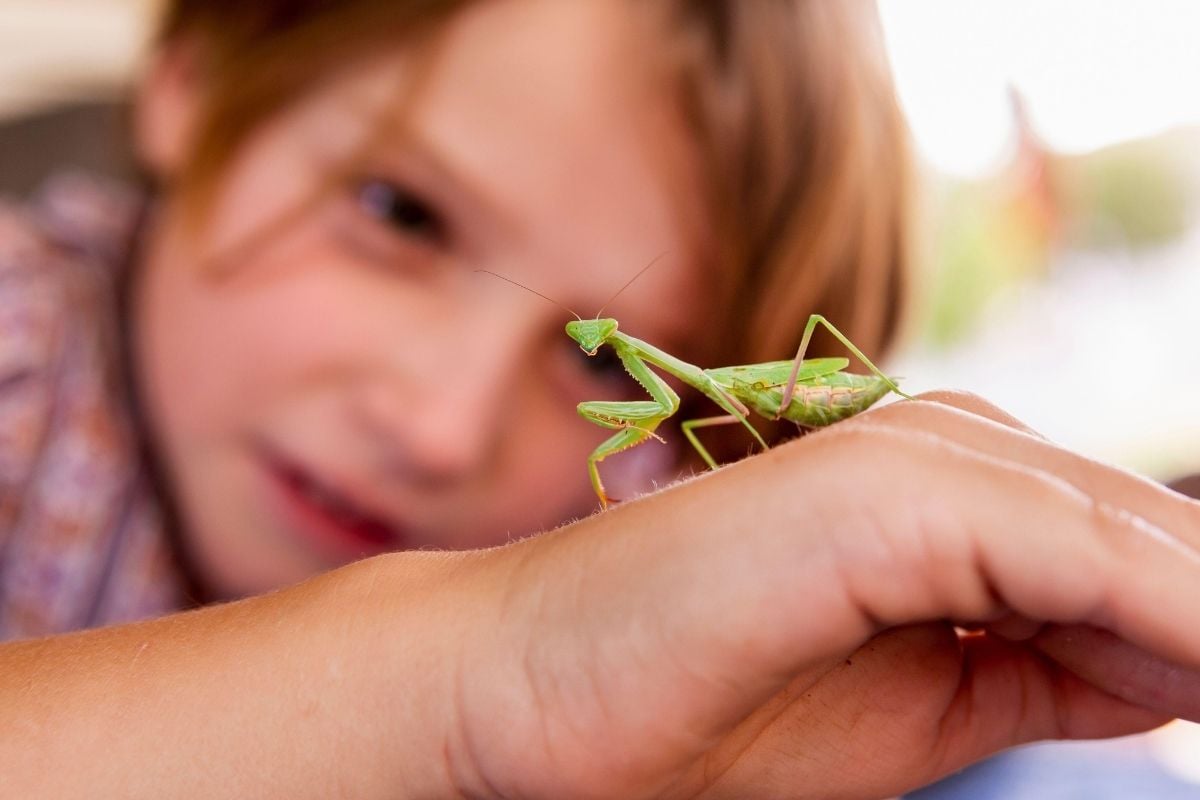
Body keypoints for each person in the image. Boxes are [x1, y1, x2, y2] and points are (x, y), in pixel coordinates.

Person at [1, 1, 1198, 797]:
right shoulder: (26, 338)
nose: (444, 425)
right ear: (194, 79)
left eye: (590, 360)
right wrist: (488, 662)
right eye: (400, 214)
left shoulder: (649, 506)